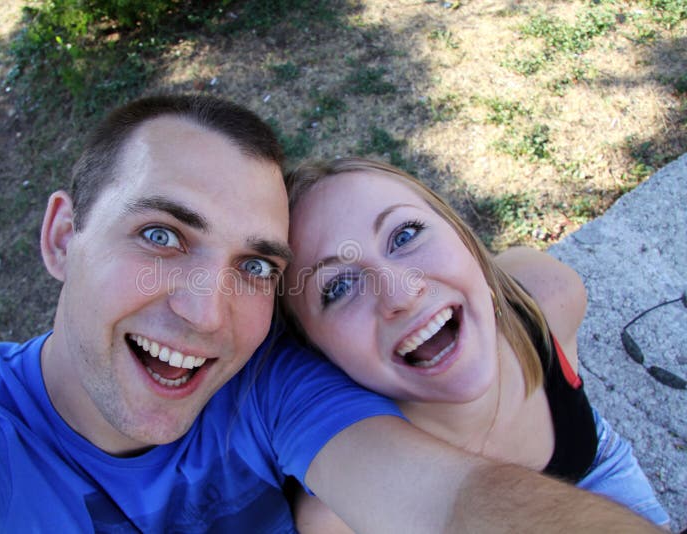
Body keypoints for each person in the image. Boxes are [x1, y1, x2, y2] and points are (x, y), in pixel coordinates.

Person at [0, 95, 661, 533]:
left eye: (254, 265)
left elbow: (447, 501)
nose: (204, 314)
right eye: (161, 234)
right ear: (63, 236)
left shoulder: (269, 384)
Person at [281, 157, 671, 532]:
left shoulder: (549, 297)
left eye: (404, 236)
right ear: (318, 353)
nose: (402, 294)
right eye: (339, 286)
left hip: (601, 472)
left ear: (462, 236)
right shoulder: (344, 512)